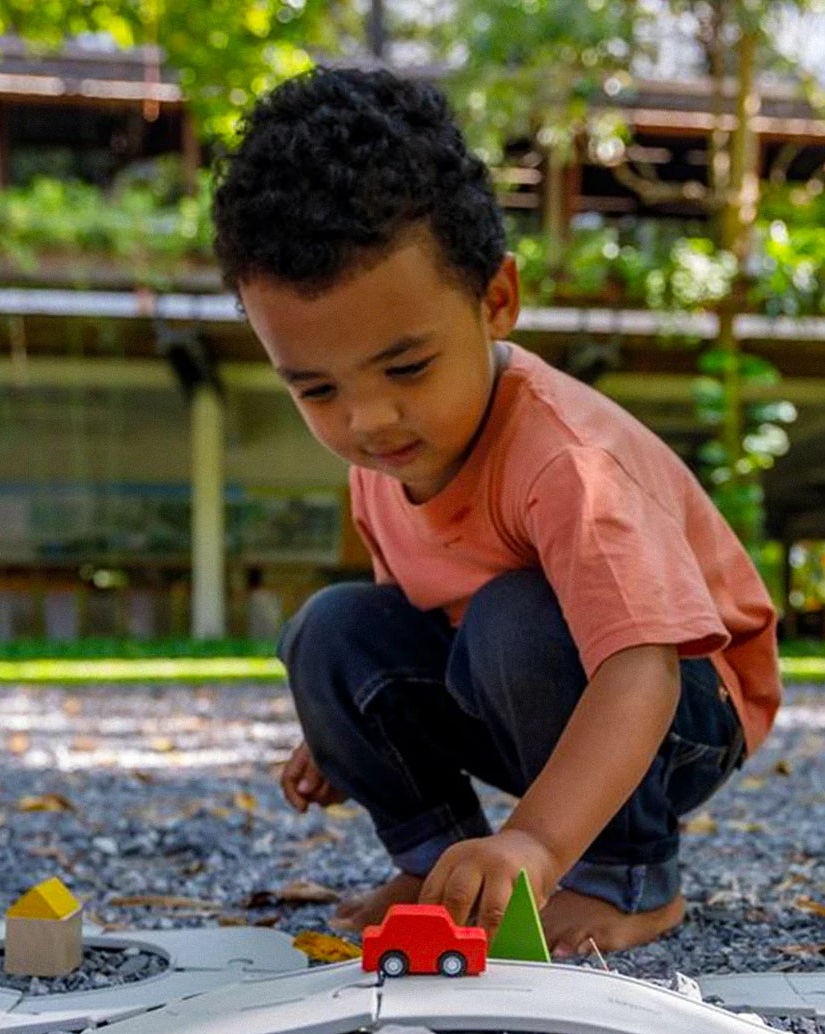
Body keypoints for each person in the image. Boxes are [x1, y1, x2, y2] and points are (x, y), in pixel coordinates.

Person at [211, 67, 781, 957]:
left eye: (406, 368)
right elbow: (400, 624)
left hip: (676, 712)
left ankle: (625, 874)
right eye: (316, 388)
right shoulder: (387, 458)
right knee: (330, 631)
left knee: (517, 615)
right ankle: (442, 866)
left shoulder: (566, 462)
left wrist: (537, 841)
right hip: (516, 689)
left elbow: (644, 669)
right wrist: (341, 725)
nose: (368, 419)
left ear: (496, 302)